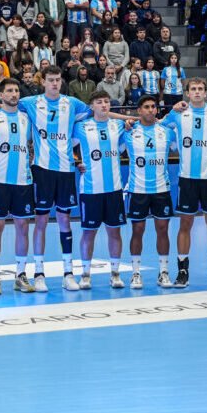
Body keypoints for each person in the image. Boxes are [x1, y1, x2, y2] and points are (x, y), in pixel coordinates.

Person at [17, 65, 91, 291]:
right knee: (40, 221)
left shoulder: (72, 104)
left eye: (58, 80)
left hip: (66, 170)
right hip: (42, 170)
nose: (55, 84)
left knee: (64, 221)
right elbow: (4, 106)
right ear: (43, 82)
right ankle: (39, 274)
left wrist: (129, 118)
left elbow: (99, 112)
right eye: (51, 80)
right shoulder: (31, 102)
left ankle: (68, 273)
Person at [162, 78, 207, 286]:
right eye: (194, 89)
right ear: (187, 93)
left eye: (201, 89)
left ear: (206, 93)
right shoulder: (178, 113)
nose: (198, 92)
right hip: (187, 177)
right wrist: (170, 109)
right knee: (185, 224)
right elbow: (158, 128)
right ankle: (183, 272)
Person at [0, 78, 37, 293]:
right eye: (9, 91)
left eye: (16, 90)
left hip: (23, 180)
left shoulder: (27, 118)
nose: (14, 94)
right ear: (1, 94)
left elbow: (33, 143)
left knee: (23, 227)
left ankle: (20, 274)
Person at [71, 90, 127, 290]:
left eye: (106, 102)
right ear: (91, 106)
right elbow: (63, 146)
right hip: (90, 189)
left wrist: (131, 119)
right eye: (99, 102)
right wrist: (75, 162)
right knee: (89, 233)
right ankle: (85, 275)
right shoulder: (81, 127)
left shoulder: (118, 126)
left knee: (115, 232)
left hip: (113, 189)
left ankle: (115, 273)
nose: (104, 105)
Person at [122, 94, 177, 289]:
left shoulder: (166, 132)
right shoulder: (128, 132)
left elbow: (182, 148)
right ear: (139, 111)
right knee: (138, 230)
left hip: (162, 189)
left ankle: (164, 272)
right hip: (138, 190)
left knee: (163, 230)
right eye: (146, 107)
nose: (151, 110)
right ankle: (135, 273)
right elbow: (109, 150)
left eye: (153, 106)